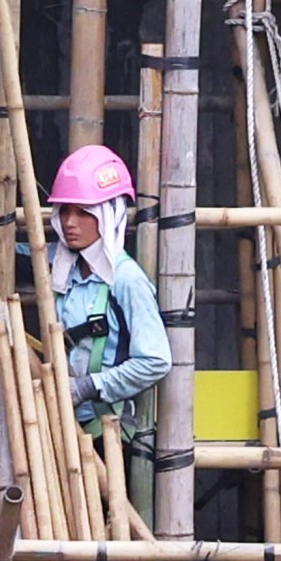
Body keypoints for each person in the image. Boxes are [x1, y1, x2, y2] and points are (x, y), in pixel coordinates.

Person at [44, 144, 173, 448]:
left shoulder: (126, 279)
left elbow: (155, 360)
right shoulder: (57, 265)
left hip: (106, 436)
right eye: (64, 211)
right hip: (54, 423)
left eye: (83, 212)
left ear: (108, 213)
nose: (69, 222)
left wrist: (88, 387)